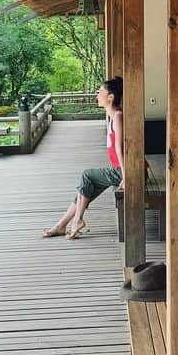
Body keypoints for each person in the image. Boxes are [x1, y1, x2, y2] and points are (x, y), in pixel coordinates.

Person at [42, 76, 124, 240]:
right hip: (120, 170)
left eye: (100, 92)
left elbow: (120, 147)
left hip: (123, 170)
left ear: (111, 97)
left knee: (87, 176)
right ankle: (61, 225)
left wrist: (126, 175)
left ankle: (77, 220)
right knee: (84, 190)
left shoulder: (117, 116)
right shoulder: (111, 116)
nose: (97, 95)